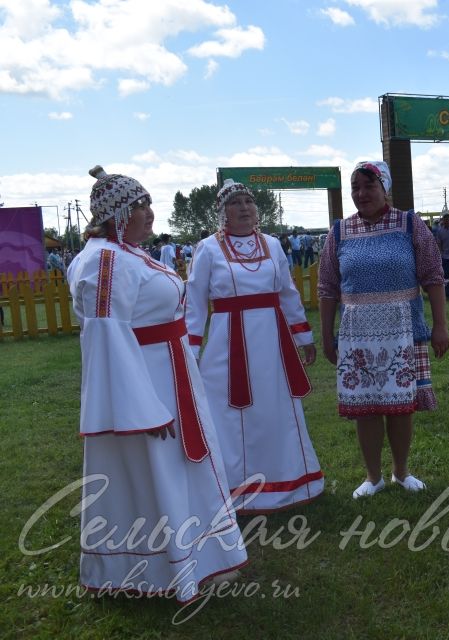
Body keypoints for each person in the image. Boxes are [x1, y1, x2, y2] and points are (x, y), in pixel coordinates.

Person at [68, 166, 247, 603]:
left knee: (179, 469)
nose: (150, 213)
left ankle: (201, 556)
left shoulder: (124, 253)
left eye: (148, 203)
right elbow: (107, 336)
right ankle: (159, 568)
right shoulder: (104, 261)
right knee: (156, 472)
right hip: (148, 386)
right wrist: (142, 409)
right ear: (118, 214)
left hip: (169, 373)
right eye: (141, 206)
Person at [186, 180, 324, 513]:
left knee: (276, 408)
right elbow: (194, 302)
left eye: (249, 201)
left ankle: (287, 482)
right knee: (229, 414)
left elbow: (286, 292)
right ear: (222, 212)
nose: (244, 208)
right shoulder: (207, 248)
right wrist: (190, 352)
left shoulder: (273, 245)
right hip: (226, 344)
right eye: (235, 203)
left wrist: (303, 336)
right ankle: (232, 488)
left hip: (272, 343)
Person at [318, 161, 449, 499]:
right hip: (356, 334)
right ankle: (373, 476)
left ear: (385, 187)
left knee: (402, 405)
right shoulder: (340, 232)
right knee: (368, 406)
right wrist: (326, 335)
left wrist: (440, 326)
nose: (361, 194)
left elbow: (433, 276)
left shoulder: (410, 225)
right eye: (355, 188)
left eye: (369, 186)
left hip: (403, 330)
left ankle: (401, 472)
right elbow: (327, 287)